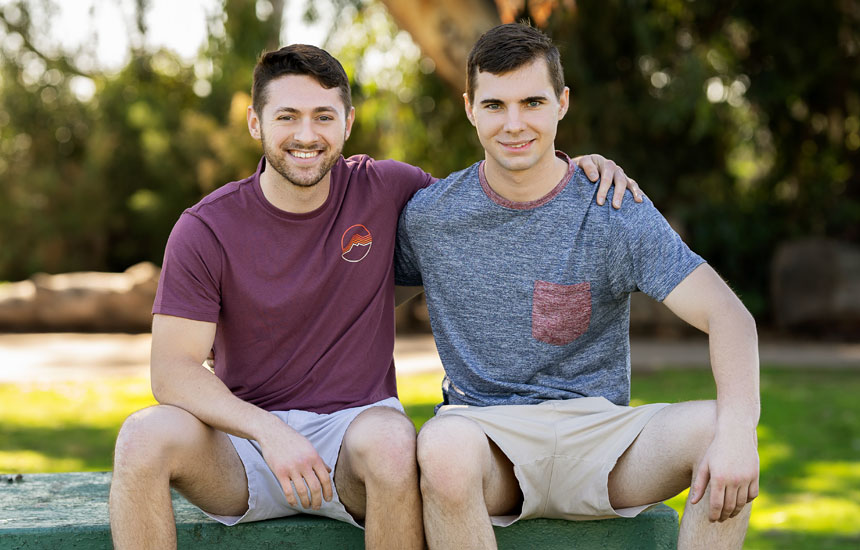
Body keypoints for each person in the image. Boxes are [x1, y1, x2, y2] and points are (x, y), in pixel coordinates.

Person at [108, 43, 639, 549]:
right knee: (140, 438)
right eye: (287, 116)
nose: (306, 134)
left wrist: (573, 171)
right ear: (255, 122)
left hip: (356, 435)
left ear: (348, 122)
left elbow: (494, 199)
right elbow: (172, 371)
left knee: (393, 446)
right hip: (244, 442)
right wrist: (269, 432)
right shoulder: (206, 227)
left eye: (323, 116)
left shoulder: (385, 187)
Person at [395, 23, 760, 550]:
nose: (514, 124)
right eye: (495, 105)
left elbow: (729, 316)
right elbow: (360, 303)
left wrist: (738, 434)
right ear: (470, 108)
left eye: (533, 102)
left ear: (562, 103)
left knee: (721, 428)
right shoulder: (432, 218)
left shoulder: (612, 208)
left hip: (603, 441)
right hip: (487, 440)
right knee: (441, 448)